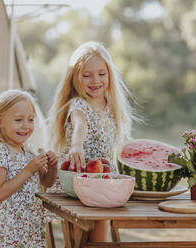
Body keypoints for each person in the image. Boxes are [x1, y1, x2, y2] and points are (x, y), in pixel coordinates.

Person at [49, 41, 135, 243]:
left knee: (99, 241)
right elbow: (80, 125)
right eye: (86, 75)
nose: (95, 81)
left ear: (109, 75)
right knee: (77, 240)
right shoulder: (78, 104)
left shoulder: (111, 106)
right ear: (75, 78)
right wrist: (76, 146)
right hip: (77, 181)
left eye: (101, 74)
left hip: (104, 183)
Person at [0, 89, 58, 248]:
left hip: (29, 226)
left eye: (30, 119)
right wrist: (29, 170)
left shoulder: (29, 150)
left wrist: (52, 167)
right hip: (7, 230)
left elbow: (46, 182)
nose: (26, 126)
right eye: (18, 120)